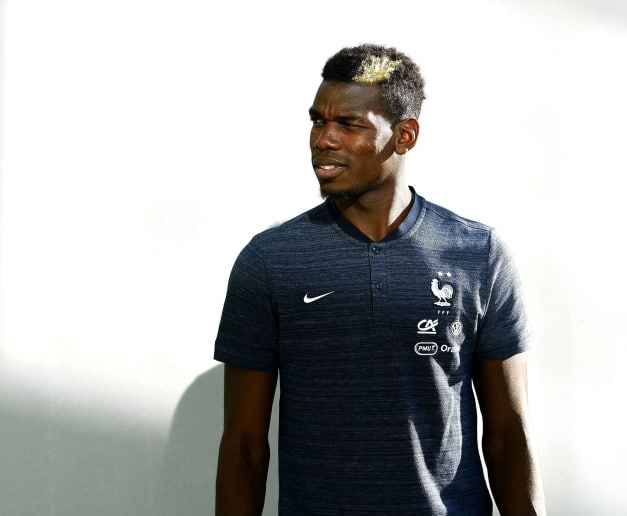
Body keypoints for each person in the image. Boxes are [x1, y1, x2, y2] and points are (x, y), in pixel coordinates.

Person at [214, 44, 545, 515]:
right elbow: (244, 446)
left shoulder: (478, 254)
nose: (324, 139)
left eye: (349, 125)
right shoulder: (270, 261)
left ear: (404, 135)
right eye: (317, 121)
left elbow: (510, 435)